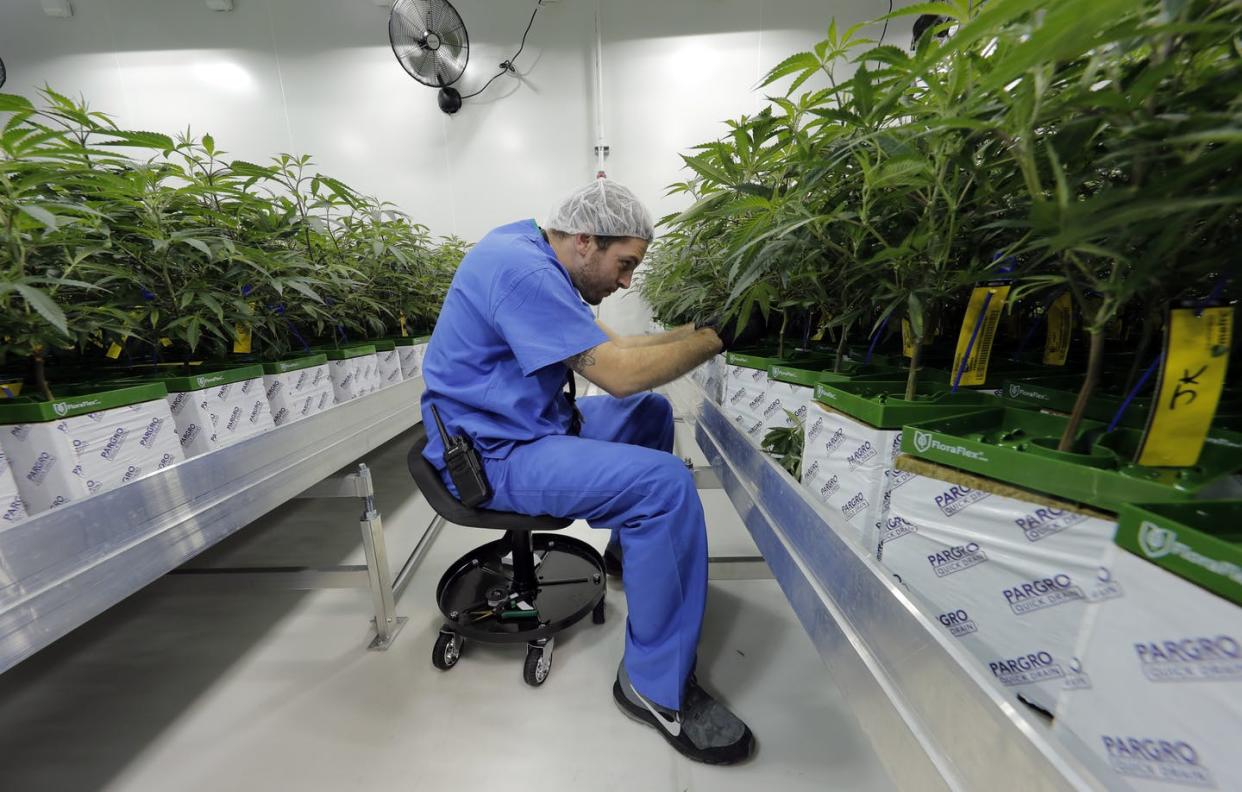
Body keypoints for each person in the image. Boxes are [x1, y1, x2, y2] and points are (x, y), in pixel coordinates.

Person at [419, 180, 764, 764]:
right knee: (665, 486)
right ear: (584, 241)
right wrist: (720, 337)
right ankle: (656, 689)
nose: (627, 280)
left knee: (650, 414)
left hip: (534, 427)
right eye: (624, 264)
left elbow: (624, 351)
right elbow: (620, 374)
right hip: (493, 455)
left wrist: (702, 327)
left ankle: (628, 556)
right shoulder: (523, 272)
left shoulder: (536, 257)